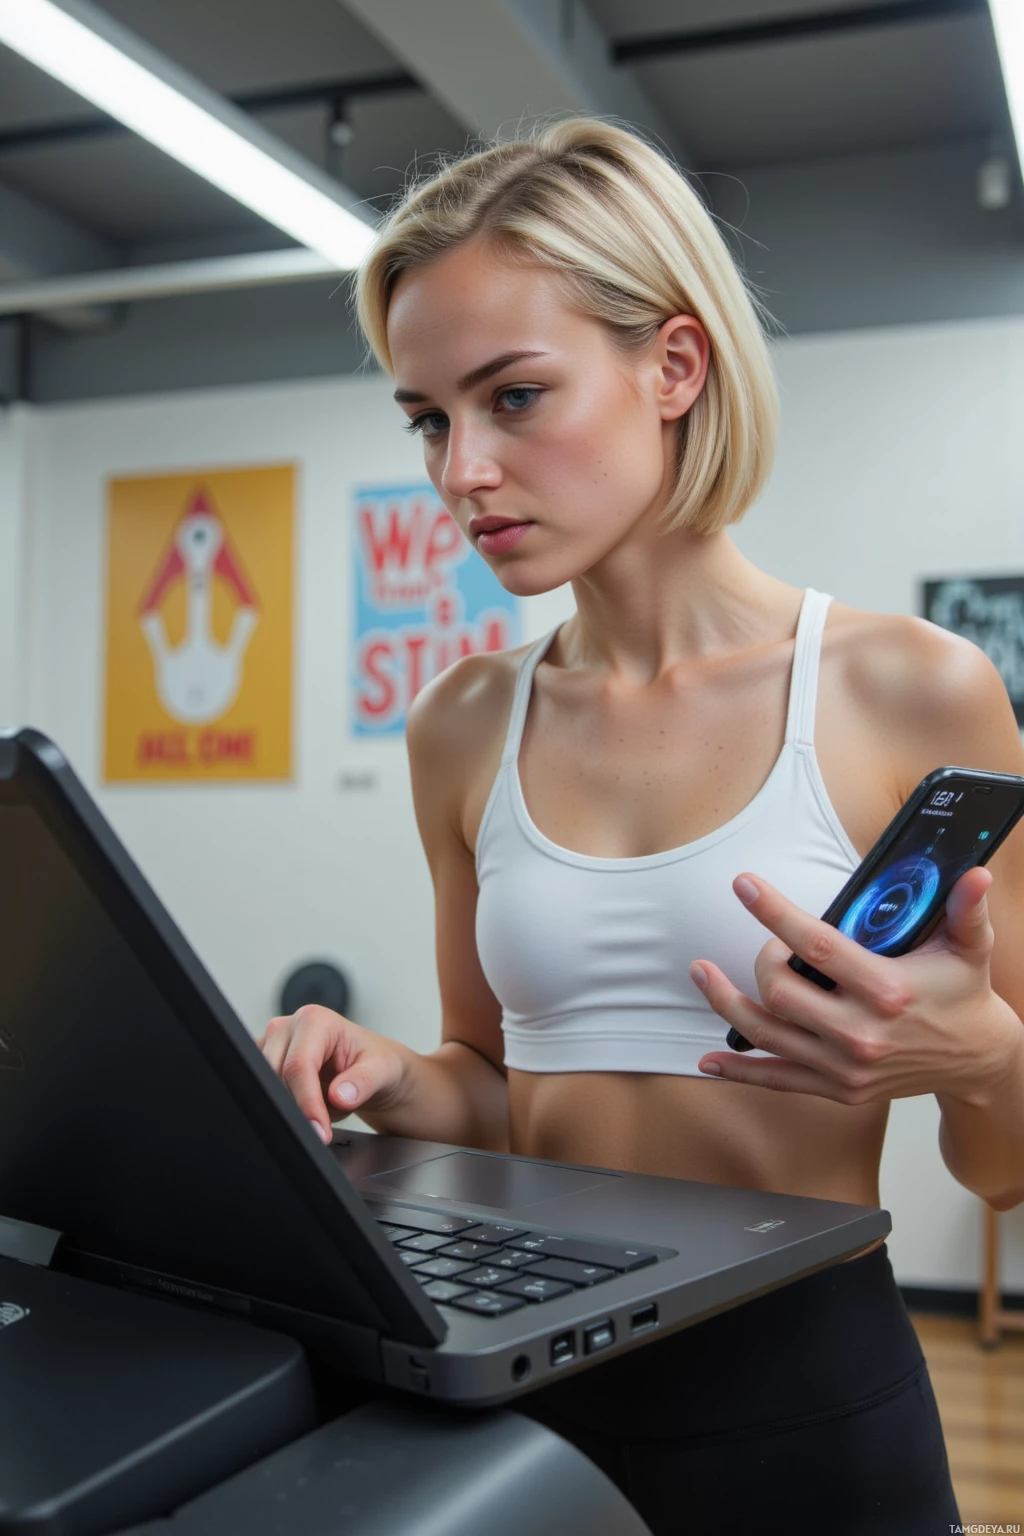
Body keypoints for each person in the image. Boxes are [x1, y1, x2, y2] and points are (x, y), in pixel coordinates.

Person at [260, 118, 1024, 1533]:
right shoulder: (462, 722)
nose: (461, 471)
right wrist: (390, 1075)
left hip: (802, 1393)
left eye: (514, 397)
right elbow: (500, 1088)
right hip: (525, 1388)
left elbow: (1008, 1165)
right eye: (430, 418)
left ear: (674, 366)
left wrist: (980, 1057)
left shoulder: (911, 689)